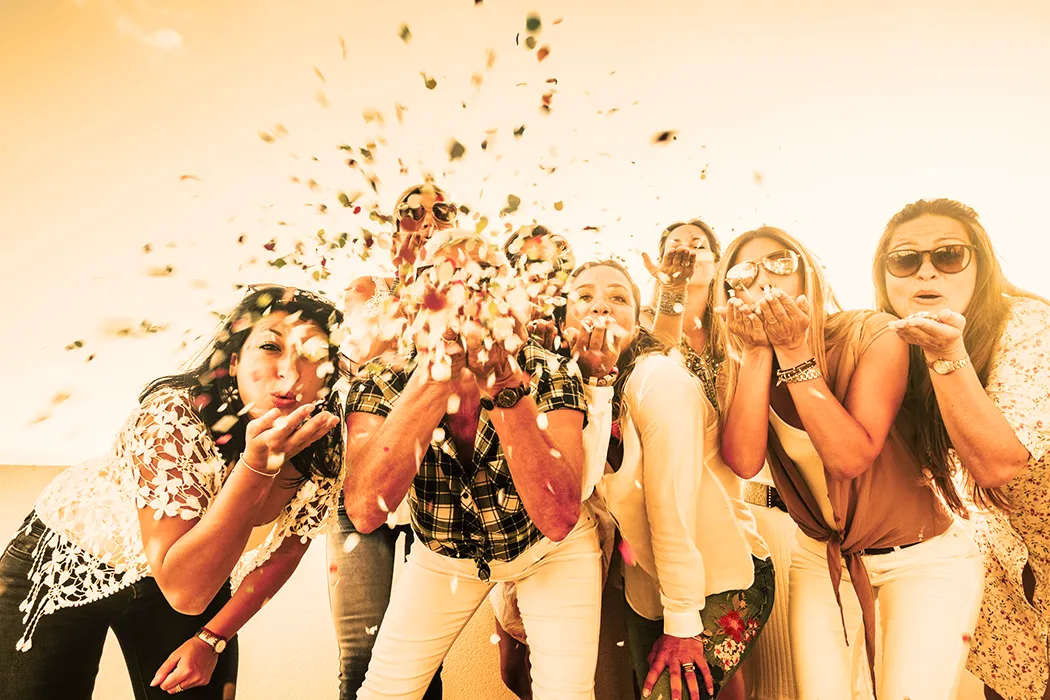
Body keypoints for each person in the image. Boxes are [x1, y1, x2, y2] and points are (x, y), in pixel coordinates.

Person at [0, 285, 345, 700]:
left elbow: (286, 552)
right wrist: (257, 465)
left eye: (312, 355)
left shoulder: (323, 439)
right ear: (234, 360)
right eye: (270, 346)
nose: (290, 373)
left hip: (194, 570)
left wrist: (211, 639)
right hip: (69, 563)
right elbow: (183, 586)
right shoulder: (174, 416)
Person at [715, 226, 984, 699]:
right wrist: (758, 353)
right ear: (731, 291)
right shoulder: (735, 366)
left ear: (808, 272)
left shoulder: (872, 333)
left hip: (920, 559)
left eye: (780, 262)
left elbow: (849, 458)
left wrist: (795, 351)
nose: (764, 279)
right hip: (821, 557)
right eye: (744, 271)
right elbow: (743, 459)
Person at [345, 231, 602, 700]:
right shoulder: (379, 382)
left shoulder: (549, 370)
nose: (457, 293)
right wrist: (431, 378)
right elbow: (365, 511)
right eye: (438, 278)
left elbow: (560, 517)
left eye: (477, 280)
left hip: (550, 552)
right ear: (413, 300)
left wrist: (504, 382)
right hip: (442, 556)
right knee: (382, 694)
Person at [872, 198, 1050, 700]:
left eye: (948, 255)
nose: (926, 270)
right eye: (904, 260)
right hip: (1009, 593)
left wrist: (947, 354)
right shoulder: (891, 345)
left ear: (981, 264)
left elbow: (999, 462)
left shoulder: (1030, 324)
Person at [580, 257, 773, 700]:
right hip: (649, 587)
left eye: (617, 297)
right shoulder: (573, 387)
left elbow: (671, 508)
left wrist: (683, 622)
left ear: (637, 315)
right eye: (585, 297)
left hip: (722, 577)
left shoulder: (658, 380)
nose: (602, 308)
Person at [646, 219, 798, 699]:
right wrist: (670, 294)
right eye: (676, 247)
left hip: (738, 517)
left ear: (720, 266)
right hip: (661, 530)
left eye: (699, 247)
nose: (687, 254)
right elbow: (650, 362)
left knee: (736, 679)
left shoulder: (737, 334)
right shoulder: (643, 328)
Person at [327, 182, 458, 700]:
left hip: (437, 486)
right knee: (359, 657)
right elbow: (342, 365)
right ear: (393, 225)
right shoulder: (368, 288)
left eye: (440, 212)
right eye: (411, 212)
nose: (425, 220)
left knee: (422, 657)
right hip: (364, 479)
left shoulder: (469, 293)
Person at [489, 225, 620, 700]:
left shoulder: (584, 339)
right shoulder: (499, 334)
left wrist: (590, 376)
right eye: (528, 264)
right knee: (511, 667)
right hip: (499, 523)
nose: (541, 274)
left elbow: (584, 476)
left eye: (554, 267)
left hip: (571, 520)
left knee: (566, 675)